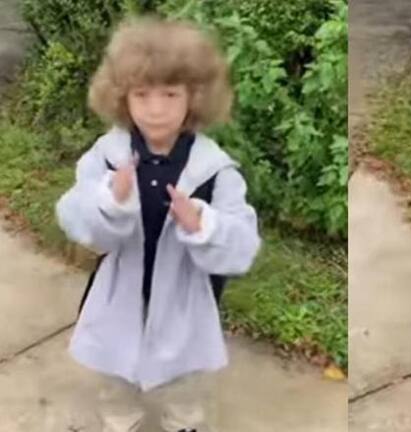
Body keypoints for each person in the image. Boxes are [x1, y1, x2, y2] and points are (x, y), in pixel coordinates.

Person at [56, 16, 261, 432]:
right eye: (141, 94)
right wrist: (110, 203)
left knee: (184, 381)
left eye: (170, 93)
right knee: (114, 378)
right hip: (118, 291)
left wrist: (203, 222)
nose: (155, 108)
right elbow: (74, 216)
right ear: (122, 97)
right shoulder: (108, 155)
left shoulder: (214, 170)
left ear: (195, 97)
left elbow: (241, 247)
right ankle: (121, 423)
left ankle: (182, 423)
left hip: (185, 298)